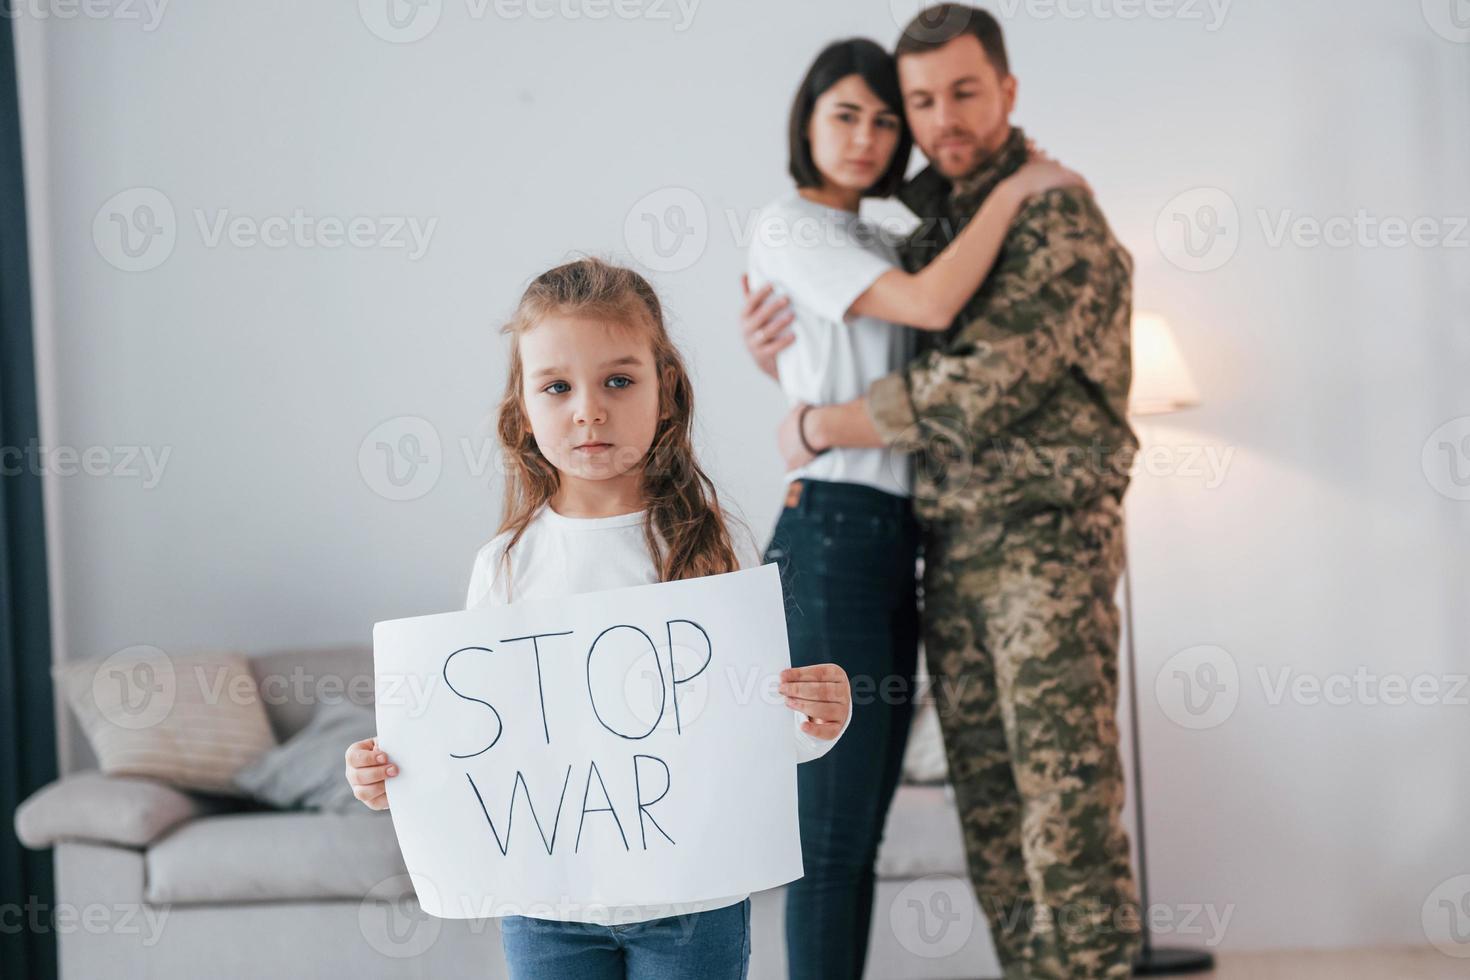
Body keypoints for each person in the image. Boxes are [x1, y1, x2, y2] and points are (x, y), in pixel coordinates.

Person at [740, 7, 1143, 978]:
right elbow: (882, 320)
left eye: (962, 92)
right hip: (939, 548)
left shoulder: (1052, 210)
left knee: (1064, 808)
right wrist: (782, 373)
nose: (934, 119)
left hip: (1043, 544)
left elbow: (978, 383)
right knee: (994, 820)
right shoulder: (928, 224)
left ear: (1007, 90)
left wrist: (814, 423)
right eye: (918, 101)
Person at [346, 256, 853, 979]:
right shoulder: (504, 565)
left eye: (619, 380)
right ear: (524, 409)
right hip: (546, 907)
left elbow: (751, 736)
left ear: (665, 390)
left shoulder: (711, 546)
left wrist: (819, 722)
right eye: (557, 387)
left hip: (693, 898)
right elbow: (475, 739)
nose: (589, 409)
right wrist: (394, 771)